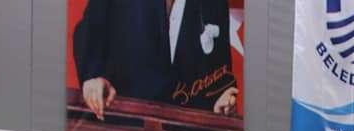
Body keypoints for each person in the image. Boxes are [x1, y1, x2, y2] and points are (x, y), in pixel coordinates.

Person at [73, 0, 239, 120]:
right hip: (122, 126)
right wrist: (94, 77)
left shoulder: (215, 3)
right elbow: (89, 34)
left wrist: (221, 102)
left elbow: (219, 75)